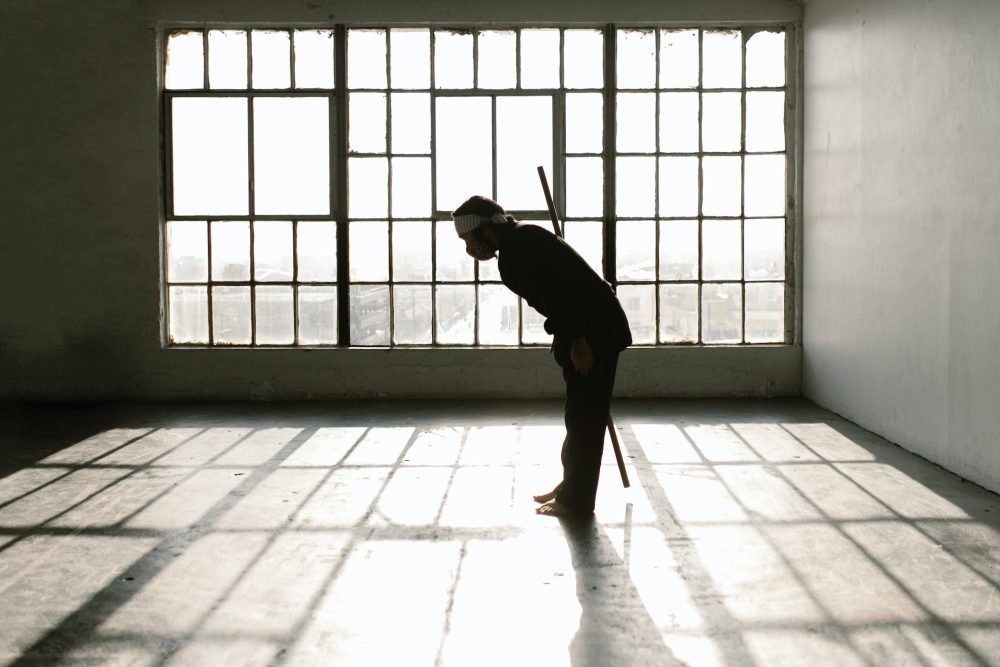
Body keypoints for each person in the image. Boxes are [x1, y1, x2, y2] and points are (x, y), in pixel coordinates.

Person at [451, 195, 632, 516]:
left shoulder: (519, 248)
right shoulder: (520, 241)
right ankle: (570, 486)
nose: (470, 249)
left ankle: (576, 501)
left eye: (468, 239)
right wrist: (568, 338)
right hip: (583, 328)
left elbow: (561, 292)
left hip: (595, 333)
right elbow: (557, 297)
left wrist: (578, 342)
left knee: (586, 418)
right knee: (577, 415)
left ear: (485, 229)